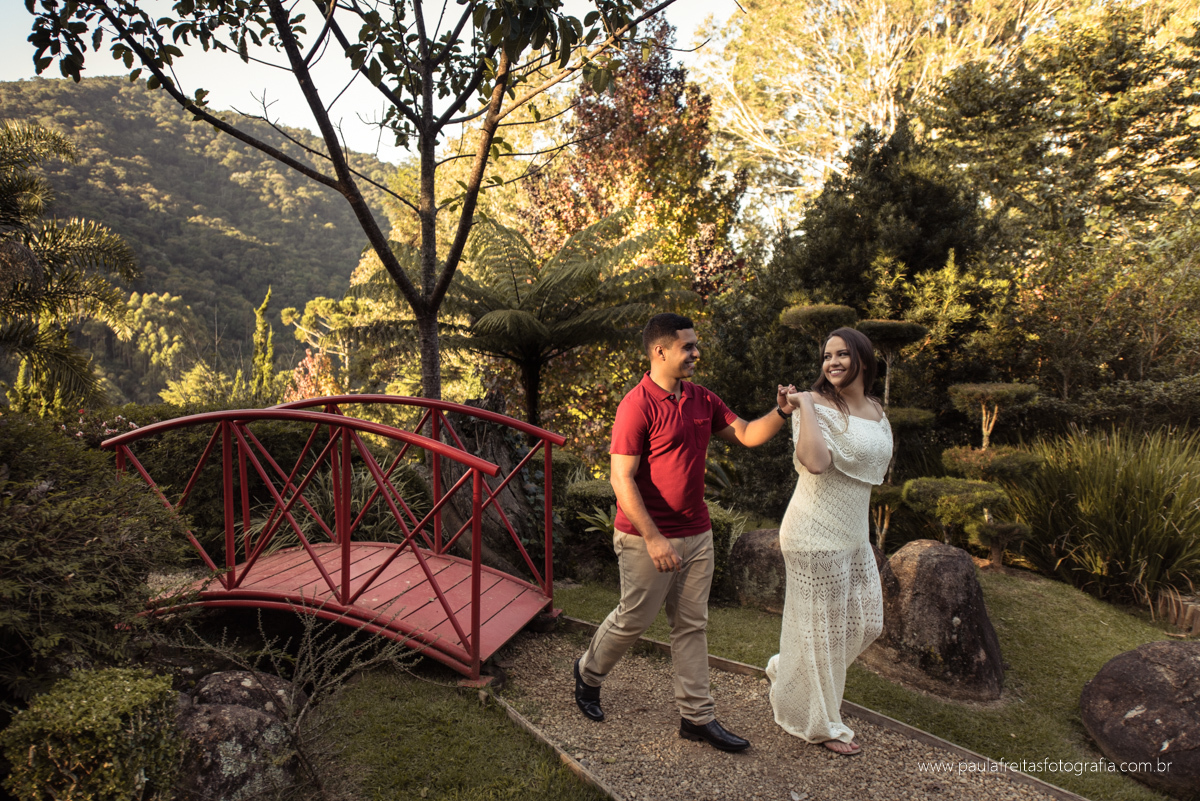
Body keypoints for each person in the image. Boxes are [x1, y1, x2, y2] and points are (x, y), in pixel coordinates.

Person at [573, 313, 797, 753]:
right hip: (645, 538)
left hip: (697, 534)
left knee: (692, 626)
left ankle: (697, 717)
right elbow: (622, 479)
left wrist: (783, 410)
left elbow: (748, 434)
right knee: (633, 619)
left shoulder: (702, 399)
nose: (696, 352)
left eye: (695, 345)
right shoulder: (636, 405)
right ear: (660, 351)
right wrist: (654, 539)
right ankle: (587, 673)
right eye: (688, 346)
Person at [768, 327, 893, 756]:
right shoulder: (814, 404)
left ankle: (788, 672)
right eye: (827, 356)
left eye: (842, 354)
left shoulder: (876, 408)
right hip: (813, 533)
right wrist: (802, 404)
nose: (833, 363)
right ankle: (821, 725)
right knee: (824, 634)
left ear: (863, 358)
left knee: (866, 623)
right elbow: (817, 463)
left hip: (853, 534)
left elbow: (876, 462)